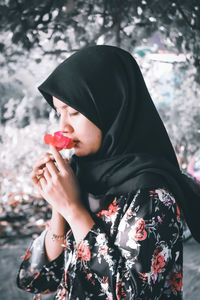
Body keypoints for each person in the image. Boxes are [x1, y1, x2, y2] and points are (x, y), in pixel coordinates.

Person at [16, 45, 200, 300]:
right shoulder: (79, 174)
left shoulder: (153, 195)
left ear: (112, 107)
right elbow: (35, 280)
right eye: (59, 113)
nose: (64, 126)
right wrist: (58, 203)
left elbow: (129, 294)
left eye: (75, 112)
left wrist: (74, 210)